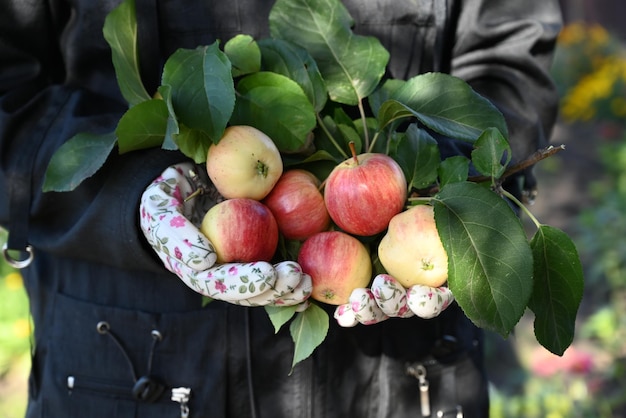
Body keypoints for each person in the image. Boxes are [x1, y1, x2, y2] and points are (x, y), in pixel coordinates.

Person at [0, 1, 562, 417]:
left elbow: (507, 52)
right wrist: (133, 201)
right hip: (130, 364)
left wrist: (451, 204)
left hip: (398, 362)